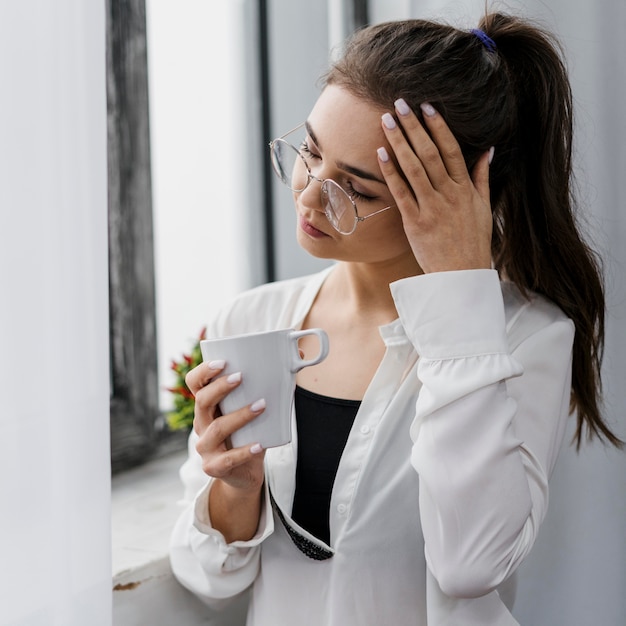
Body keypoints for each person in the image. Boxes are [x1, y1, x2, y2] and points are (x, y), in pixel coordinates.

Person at [169, 12, 622, 625]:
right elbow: (207, 578)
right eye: (310, 151)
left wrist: (461, 283)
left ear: (453, 197)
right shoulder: (253, 318)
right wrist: (234, 488)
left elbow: (471, 565)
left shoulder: (526, 338)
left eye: (356, 189)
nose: (307, 194)